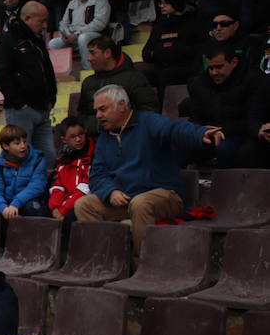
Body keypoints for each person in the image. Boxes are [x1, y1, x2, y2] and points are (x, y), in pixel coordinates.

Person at [73, 84, 225, 255]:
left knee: (141, 203)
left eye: (103, 109)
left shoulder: (149, 122)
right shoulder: (104, 138)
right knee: (84, 205)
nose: (98, 115)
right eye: (97, 111)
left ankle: (142, 265)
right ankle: (107, 260)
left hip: (164, 194)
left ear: (122, 105)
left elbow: (174, 128)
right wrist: (111, 192)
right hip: (127, 199)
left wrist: (200, 133)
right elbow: (97, 175)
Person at [0, 1, 58, 170]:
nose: (45, 26)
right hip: (22, 111)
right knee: (21, 159)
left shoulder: (36, 41)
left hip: (43, 108)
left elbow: (47, 70)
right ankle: (22, 195)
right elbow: (1, 76)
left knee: (49, 158)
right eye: (41, 21)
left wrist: (52, 97)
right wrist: (19, 102)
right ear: (28, 18)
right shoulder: (7, 41)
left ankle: (49, 193)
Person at [186, 42, 260, 167]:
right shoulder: (199, 83)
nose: (214, 72)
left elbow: (253, 119)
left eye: (219, 67)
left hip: (239, 134)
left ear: (234, 62)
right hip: (208, 133)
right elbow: (195, 115)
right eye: (210, 68)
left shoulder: (252, 80)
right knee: (178, 145)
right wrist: (200, 130)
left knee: (225, 150)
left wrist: (221, 130)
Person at [78, 36, 160, 136]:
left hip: (129, 138)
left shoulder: (134, 78)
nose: (89, 58)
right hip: (96, 141)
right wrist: (95, 127)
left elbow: (149, 110)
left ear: (107, 53)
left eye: (93, 53)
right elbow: (81, 115)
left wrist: (124, 126)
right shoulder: (88, 82)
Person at [141, 0, 202, 98]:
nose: (162, 6)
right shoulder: (159, 27)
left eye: (166, 3)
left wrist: (175, 52)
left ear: (176, 3)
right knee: (140, 77)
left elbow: (195, 50)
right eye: (161, 3)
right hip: (160, 67)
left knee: (167, 76)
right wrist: (157, 54)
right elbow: (146, 53)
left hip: (184, 68)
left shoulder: (191, 24)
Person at [0, 124, 50, 219]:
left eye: (24, 141)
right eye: (17, 143)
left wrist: (16, 203)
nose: (23, 146)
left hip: (29, 201)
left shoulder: (38, 160)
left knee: (33, 209)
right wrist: (3, 208)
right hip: (7, 205)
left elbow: (37, 186)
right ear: (6, 146)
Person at [47, 0, 111, 72]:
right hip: (73, 37)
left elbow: (100, 23)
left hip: (94, 35)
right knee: (53, 43)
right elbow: (63, 23)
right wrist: (66, 34)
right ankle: (62, 73)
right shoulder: (72, 2)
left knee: (83, 38)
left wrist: (77, 34)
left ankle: (88, 71)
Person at [48, 117, 96, 220]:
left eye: (81, 134)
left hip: (83, 201)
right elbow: (58, 185)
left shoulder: (93, 154)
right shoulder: (62, 159)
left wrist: (64, 209)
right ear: (64, 139)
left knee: (71, 215)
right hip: (65, 203)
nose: (78, 139)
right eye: (73, 137)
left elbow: (87, 186)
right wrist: (55, 207)